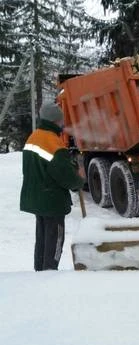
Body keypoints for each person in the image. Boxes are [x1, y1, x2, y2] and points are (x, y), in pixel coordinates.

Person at [20, 102, 84, 271]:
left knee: (42, 239)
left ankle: (40, 271)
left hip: (37, 198)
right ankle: (49, 274)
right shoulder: (53, 143)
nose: (63, 123)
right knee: (55, 240)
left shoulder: (34, 136)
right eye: (61, 119)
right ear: (56, 121)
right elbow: (66, 176)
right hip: (52, 201)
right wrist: (79, 181)